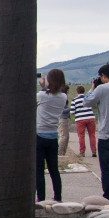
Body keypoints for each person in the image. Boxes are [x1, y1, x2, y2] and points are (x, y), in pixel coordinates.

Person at [82, 63, 109, 205]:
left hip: (107, 135)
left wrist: (92, 88)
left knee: (107, 169)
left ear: (103, 76)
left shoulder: (102, 89)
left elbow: (86, 102)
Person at [36, 69, 67, 202]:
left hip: (39, 135)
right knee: (54, 170)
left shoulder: (42, 95)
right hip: (53, 136)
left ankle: (41, 198)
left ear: (49, 80)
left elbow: (36, 100)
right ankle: (58, 197)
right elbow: (54, 93)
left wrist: (43, 88)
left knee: (39, 170)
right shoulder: (63, 97)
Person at [71, 85, 97, 157]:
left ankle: (82, 152)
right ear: (84, 91)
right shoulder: (88, 98)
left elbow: (72, 111)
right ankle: (94, 151)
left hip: (80, 119)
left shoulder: (74, 100)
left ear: (77, 91)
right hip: (90, 117)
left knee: (81, 136)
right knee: (92, 135)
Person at [57, 85, 70, 156]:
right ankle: (60, 153)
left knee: (66, 136)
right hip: (62, 118)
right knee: (63, 136)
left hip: (64, 118)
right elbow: (61, 109)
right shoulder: (62, 98)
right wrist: (70, 109)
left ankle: (63, 152)